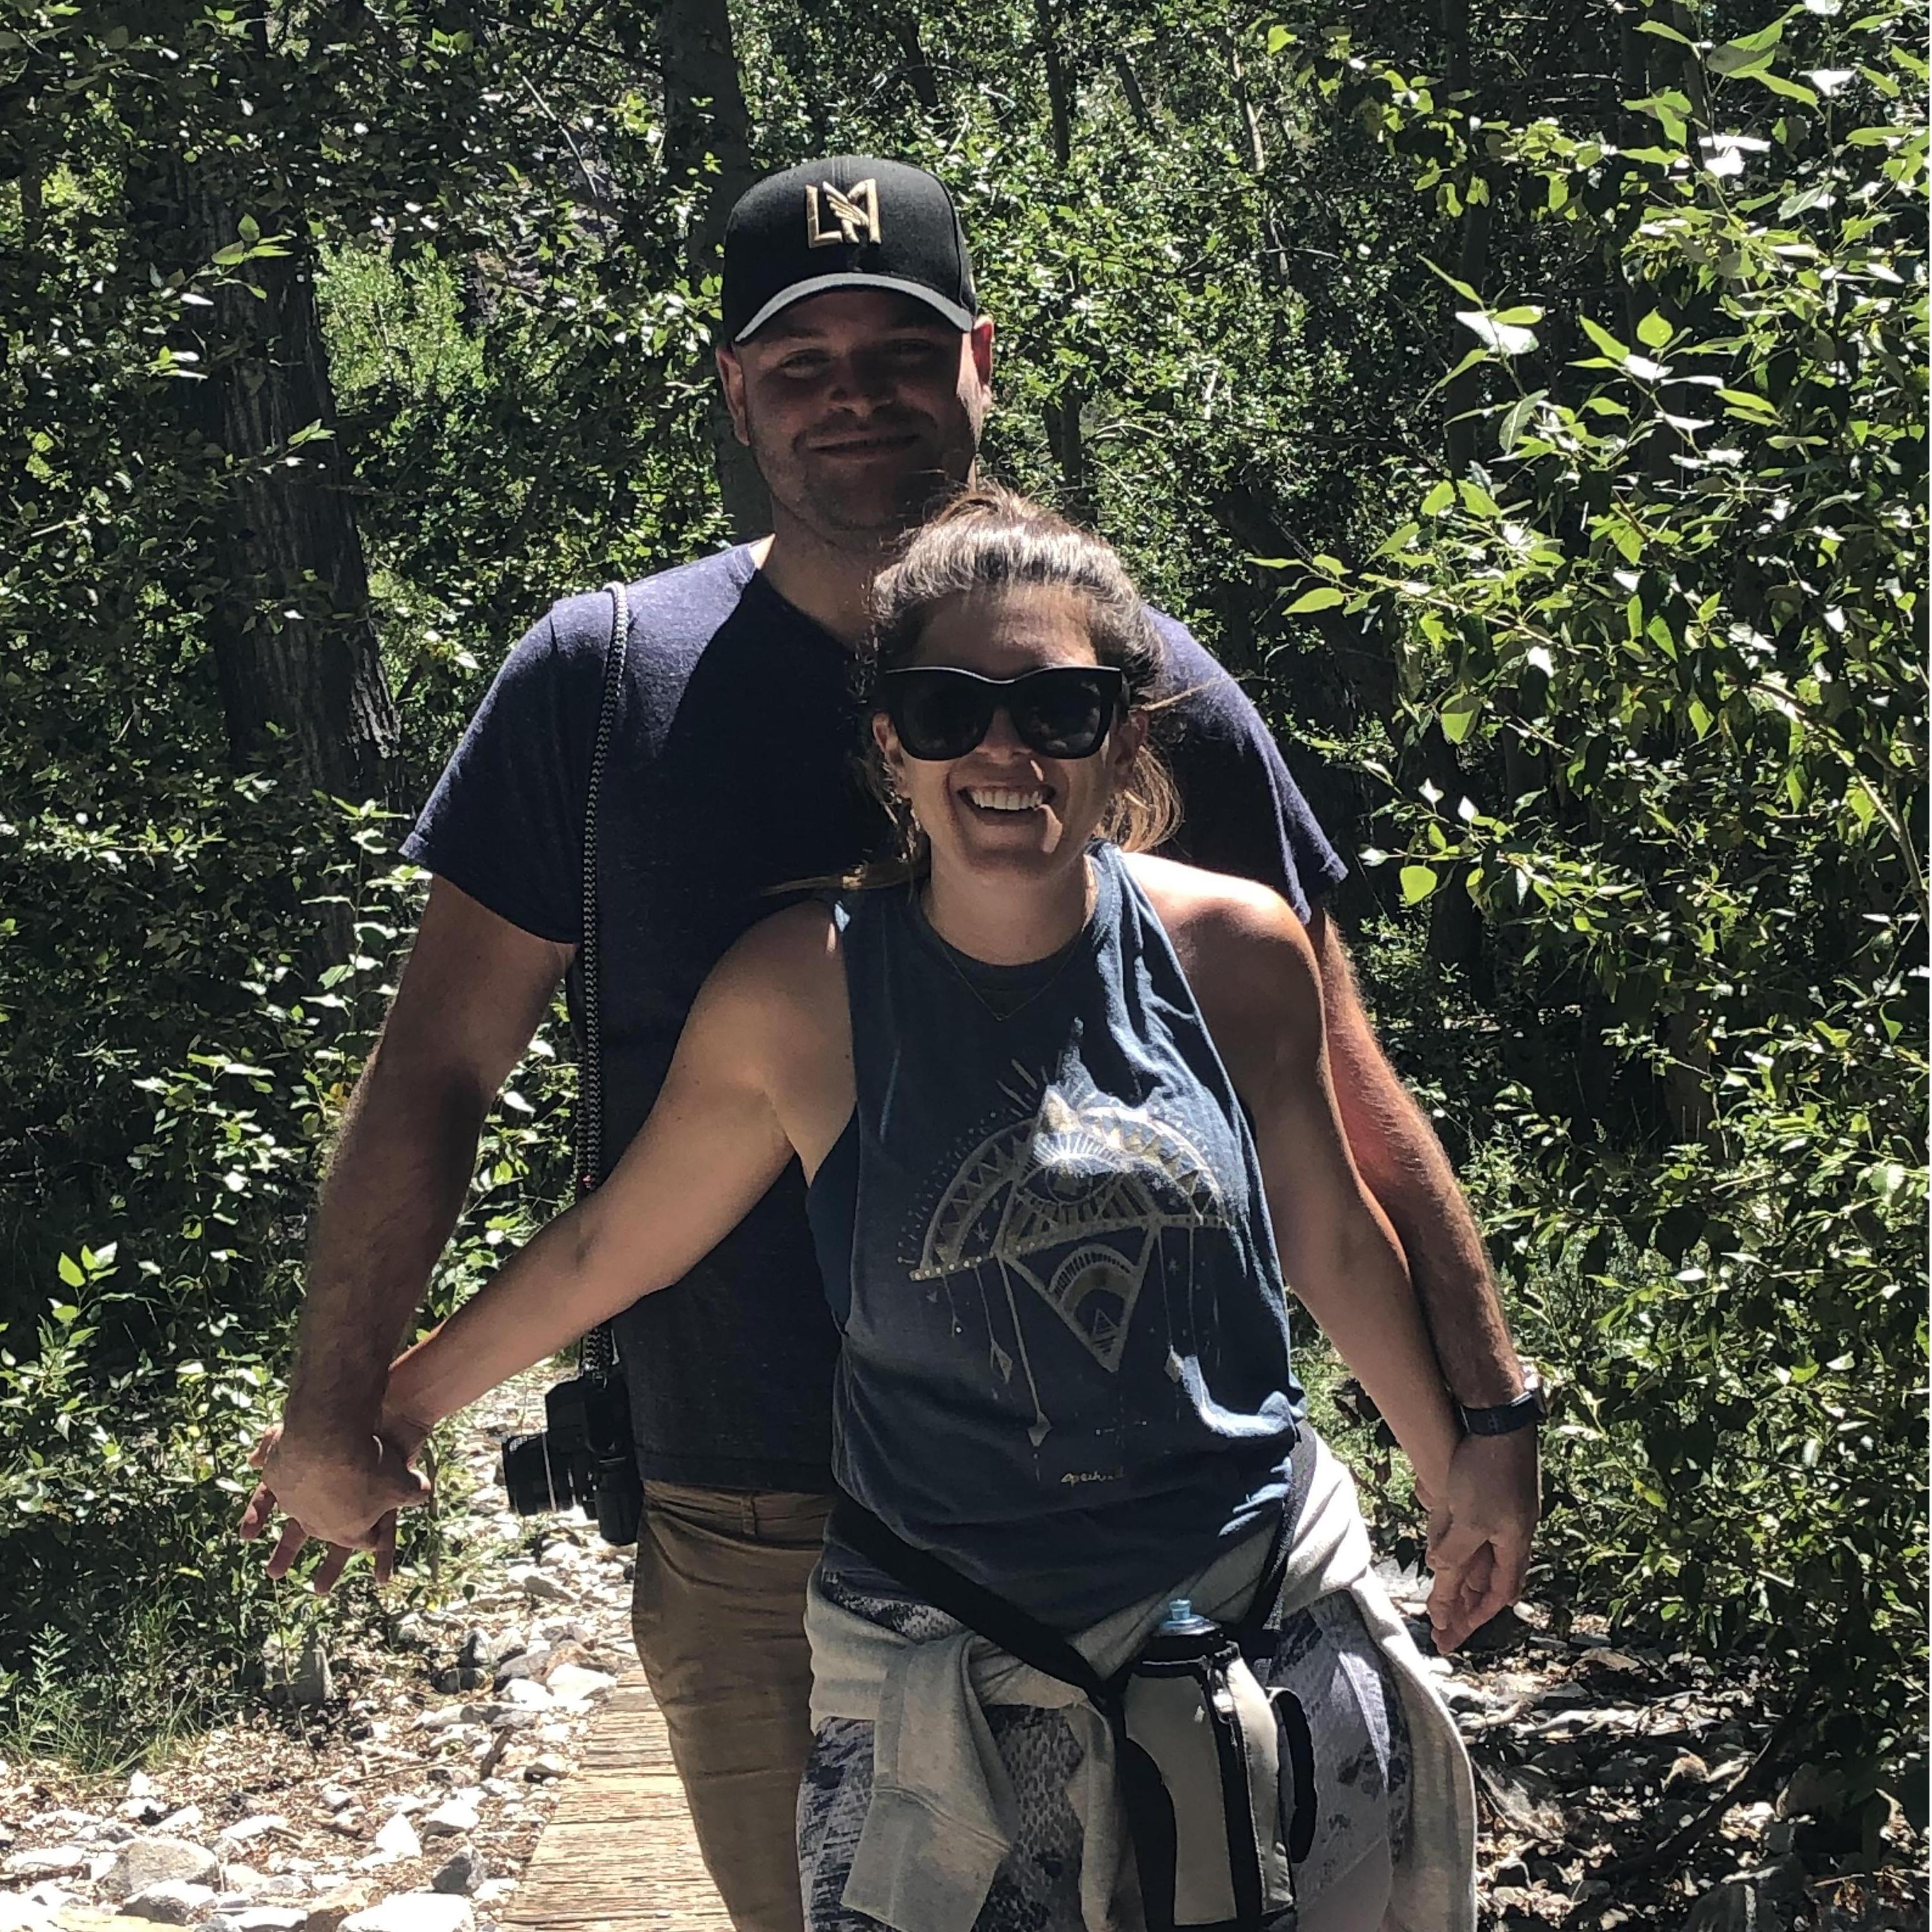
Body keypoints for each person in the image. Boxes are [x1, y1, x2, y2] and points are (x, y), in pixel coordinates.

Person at [241, 157, 1535, 1932]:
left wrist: (1486, 1410)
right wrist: (348, 1402)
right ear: (735, 389)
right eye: (802, 360)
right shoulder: (607, 692)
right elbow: (448, 1082)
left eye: (901, 352)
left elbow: (1331, 1100)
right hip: (761, 1509)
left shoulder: (1145, 677)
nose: (856, 397)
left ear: (979, 362)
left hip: (1183, 1532)